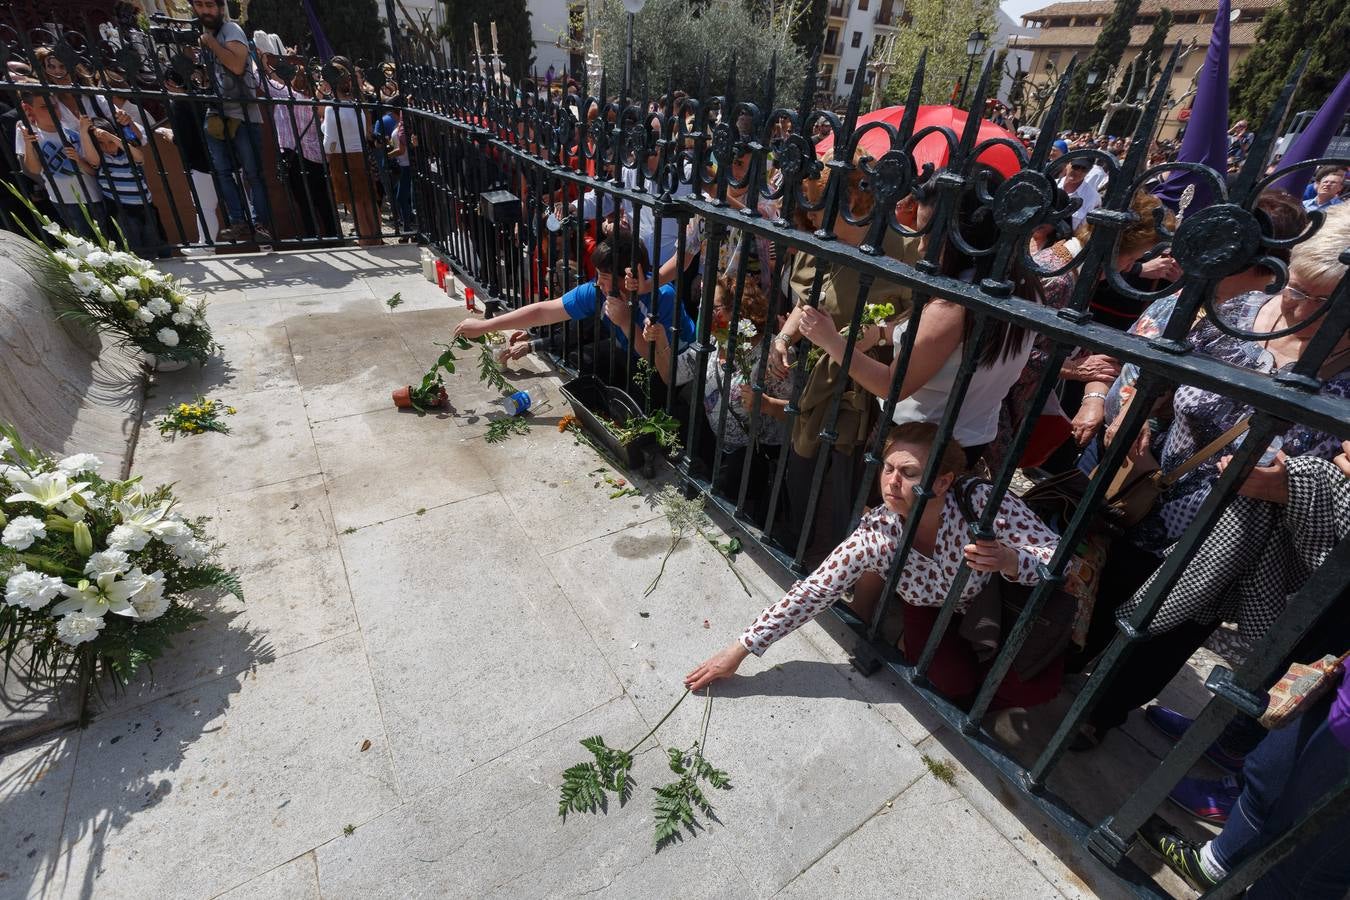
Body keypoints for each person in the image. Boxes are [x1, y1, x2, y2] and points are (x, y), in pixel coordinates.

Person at [1072, 204, 1350, 748]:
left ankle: (1100, 717)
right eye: (1292, 280)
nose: (1288, 299)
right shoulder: (1239, 311)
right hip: (1148, 498)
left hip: (1225, 546)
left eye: (1312, 297)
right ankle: (1061, 668)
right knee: (1103, 596)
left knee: (1162, 640)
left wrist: (1286, 486)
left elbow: (1340, 494)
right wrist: (1139, 413)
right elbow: (1157, 374)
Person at [685, 421, 1064, 710]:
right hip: (926, 609)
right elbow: (814, 590)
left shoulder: (978, 502)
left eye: (909, 473)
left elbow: (1055, 555)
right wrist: (739, 650)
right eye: (887, 468)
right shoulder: (877, 533)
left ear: (945, 480)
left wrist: (1011, 561)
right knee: (950, 683)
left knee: (1033, 686)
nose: (892, 482)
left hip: (987, 599)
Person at [452, 230, 695, 389]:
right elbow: (543, 311)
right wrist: (484, 326)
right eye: (598, 275)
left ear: (628, 276)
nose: (598, 282)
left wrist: (624, 322)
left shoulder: (662, 297)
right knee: (586, 364)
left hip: (676, 369)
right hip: (630, 355)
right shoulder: (597, 291)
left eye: (605, 276)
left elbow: (658, 360)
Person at [192, 0, 273, 246]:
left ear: (220, 7)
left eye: (210, 5)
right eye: (200, 5)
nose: (205, 10)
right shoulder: (207, 37)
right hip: (217, 112)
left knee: (252, 173)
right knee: (223, 173)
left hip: (243, 113)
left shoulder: (231, 31)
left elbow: (237, 66)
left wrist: (211, 44)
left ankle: (261, 224)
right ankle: (238, 221)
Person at [12, 85, 107, 239]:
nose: (52, 110)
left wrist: (79, 158)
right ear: (30, 109)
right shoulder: (27, 132)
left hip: (92, 195)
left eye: (54, 105)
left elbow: (94, 167)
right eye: (44, 107)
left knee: (104, 237)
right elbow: (34, 170)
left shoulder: (71, 130)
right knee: (82, 241)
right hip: (63, 199)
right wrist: (29, 144)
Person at [261, 59, 337, 241]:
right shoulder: (314, 102)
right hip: (317, 158)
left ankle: (312, 237)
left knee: (304, 202)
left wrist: (264, 63)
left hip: (294, 156)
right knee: (323, 201)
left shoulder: (287, 96)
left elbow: (265, 82)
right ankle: (333, 236)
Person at [78, 115, 161, 258]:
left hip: (145, 206)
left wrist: (111, 136)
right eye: (101, 144)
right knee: (132, 246)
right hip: (122, 209)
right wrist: (84, 131)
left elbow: (140, 157)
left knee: (152, 242)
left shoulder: (127, 154)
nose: (107, 147)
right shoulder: (102, 159)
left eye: (109, 142)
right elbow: (92, 159)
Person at [322, 58, 382, 247]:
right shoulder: (357, 106)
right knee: (368, 199)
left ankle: (364, 239)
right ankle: (376, 236)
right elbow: (364, 132)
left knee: (354, 201)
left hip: (342, 157)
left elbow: (330, 141)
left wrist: (327, 155)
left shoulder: (332, 108)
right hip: (360, 154)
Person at [157, 66, 221, 243]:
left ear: (169, 83)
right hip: (224, 158)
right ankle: (264, 243)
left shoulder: (178, 103)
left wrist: (169, 135)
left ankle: (207, 245)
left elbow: (183, 139)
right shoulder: (204, 95)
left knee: (205, 208)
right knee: (242, 203)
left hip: (200, 163)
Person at [1057, 158, 1102, 230]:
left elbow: (1084, 231)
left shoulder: (1093, 197)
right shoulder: (1051, 185)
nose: (1078, 172)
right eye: (1076, 167)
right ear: (1067, 165)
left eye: (1084, 169)